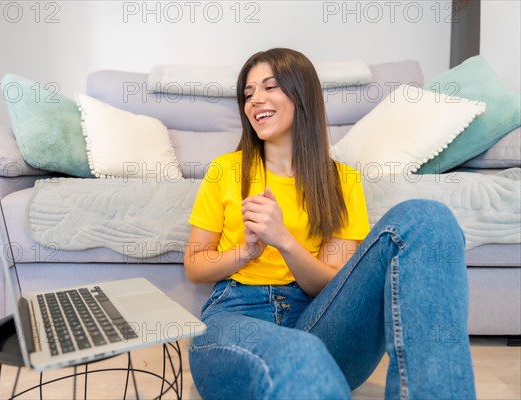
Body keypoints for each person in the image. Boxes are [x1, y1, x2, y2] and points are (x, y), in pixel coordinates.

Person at [184, 48, 476, 399]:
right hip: (237, 313)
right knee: (299, 354)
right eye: (248, 94)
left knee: (428, 219)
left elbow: (330, 281)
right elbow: (195, 264)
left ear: (301, 94)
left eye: (269, 87)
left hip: (320, 319)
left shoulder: (342, 181)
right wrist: (245, 251)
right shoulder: (225, 171)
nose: (255, 100)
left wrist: (284, 241)